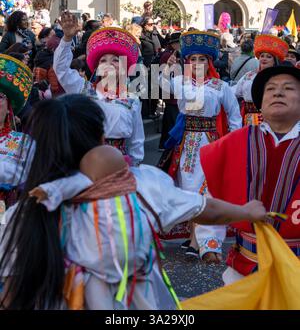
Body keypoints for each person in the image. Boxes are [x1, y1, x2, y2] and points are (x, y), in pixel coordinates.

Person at [0, 94, 267, 310]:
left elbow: (10, 295)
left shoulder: (25, 211)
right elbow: (206, 209)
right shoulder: (141, 185)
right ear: (101, 138)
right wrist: (246, 211)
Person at [196, 64, 300, 285]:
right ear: (260, 103)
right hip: (244, 268)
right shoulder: (234, 143)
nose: (278, 92)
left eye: (288, 88)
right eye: (270, 89)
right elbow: (212, 194)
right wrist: (210, 239)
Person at [161, 30, 242, 260]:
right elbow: (162, 85)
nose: (197, 63)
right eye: (192, 59)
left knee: (208, 190)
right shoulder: (180, 82)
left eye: (202, 59)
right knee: (187, 189)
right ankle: (195, 238)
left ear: (209, 62)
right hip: (187, 144)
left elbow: (234, 116)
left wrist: (231, 143)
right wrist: (169, 67)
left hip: (210, 142)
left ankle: (206, 244)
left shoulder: (220, 87)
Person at [53, 14, 144, 166]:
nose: (109, 64)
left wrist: (134, 170)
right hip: (87, 163)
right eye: (103, 60)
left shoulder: (132, 100)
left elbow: (136, 142)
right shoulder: (84, 91)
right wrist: (66, 40)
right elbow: (61, 70)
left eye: (115, 60)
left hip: (119, 165)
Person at [233, 34, 289, 125]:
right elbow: (235, 92)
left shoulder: (279, 78)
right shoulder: (249, 76)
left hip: (272, 118)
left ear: (274, 61)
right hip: (250, 119)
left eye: (268, 57)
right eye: (262, 56)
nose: (264, 59)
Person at [0, 54, 33, 208]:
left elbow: (29, 175)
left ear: (9, 108)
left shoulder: (23, 142)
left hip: (8, 215)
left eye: (0, 97)